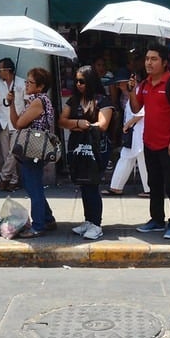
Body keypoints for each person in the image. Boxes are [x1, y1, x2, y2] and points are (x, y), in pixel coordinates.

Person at [128, 44, 170, 240]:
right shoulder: (144, 84)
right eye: (147, 59)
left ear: (164, 63)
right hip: (150, 142)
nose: (148, 63)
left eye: (153, 59)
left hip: (168, 144)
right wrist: (131, 90)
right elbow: (137, 108)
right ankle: (157, 219)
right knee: (153, 183)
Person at [60, 65, 114, 240]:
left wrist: (87, 126)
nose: (78, 84)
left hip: (97, 148)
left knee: (92, 184)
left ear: (90, 81)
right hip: (78, 147)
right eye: (76, 81)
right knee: (83, 184)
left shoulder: (102, 100)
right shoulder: (74, 100)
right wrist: (77, 124)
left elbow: (103, 124)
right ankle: (88, 220)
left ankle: (96, 223)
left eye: (82, 81)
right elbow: (62, 121)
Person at [7, 67, 57, 238]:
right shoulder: (33, 101)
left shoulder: (39, 101)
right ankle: (47, 218)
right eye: (26, 81)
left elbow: (20, 124)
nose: (26, 84)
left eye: (30, 82)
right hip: (31, 150)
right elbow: (16, 123)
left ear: (41, 86)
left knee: (34, 187)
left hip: (34, 150)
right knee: (31, 185)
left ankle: (38, 225)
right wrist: (12, 103)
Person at [104, 71, 150, 197]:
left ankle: (150, 189)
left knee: (142, 160)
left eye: (120, 84)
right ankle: (116, 187)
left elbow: (143, 111)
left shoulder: (140, 91)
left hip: (140, 130)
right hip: (133, 132)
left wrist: (128, 123)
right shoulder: (129, 94)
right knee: (126, 157)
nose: (118, 86)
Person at [0, 57, 26, 192]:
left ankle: (3, 177)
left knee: (14, 153)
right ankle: (13, 180)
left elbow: (27, 102)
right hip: (3, 122)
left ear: (7, 70)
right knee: (6, 154)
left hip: (18, 122)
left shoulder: (22, 83)